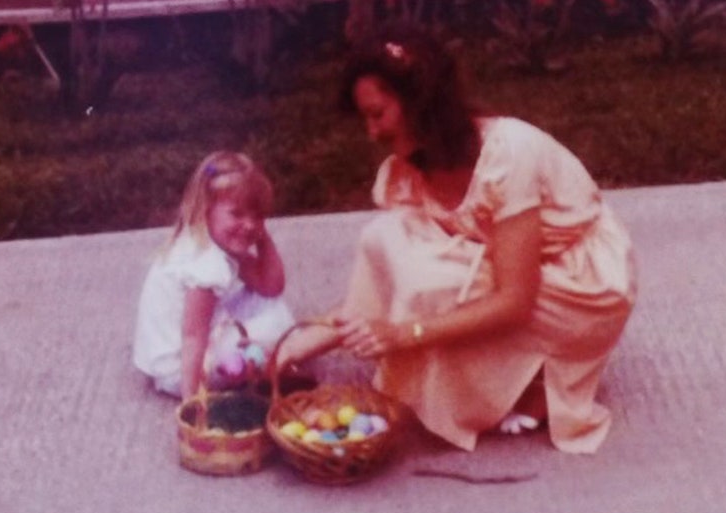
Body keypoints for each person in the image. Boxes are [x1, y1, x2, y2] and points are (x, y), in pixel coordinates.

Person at [279, 24, 637, 454]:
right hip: (514, 264)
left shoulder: (508, 156)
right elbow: (385, 279)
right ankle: (507, 370)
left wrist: (403, 333)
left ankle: (536, 378)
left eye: (378, 115)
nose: (371, 133)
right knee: (390, 240)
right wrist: (299, 345)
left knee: (443, 284)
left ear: (420, 105)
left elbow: (514, 300)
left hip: (581, 285)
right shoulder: (414, 168)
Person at [133, 151, 295, 399]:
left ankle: (256, 359)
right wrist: (191, 398)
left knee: (270, 304)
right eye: (237, 214)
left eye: (258, 216)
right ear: (206, 209)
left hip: (170, 355)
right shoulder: (206, 265)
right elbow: (193, 337)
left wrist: (262, 238)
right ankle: (265, 365)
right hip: (179, 369)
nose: (250, 225)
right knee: (278, 326)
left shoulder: (211, 238)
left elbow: (270, 286)